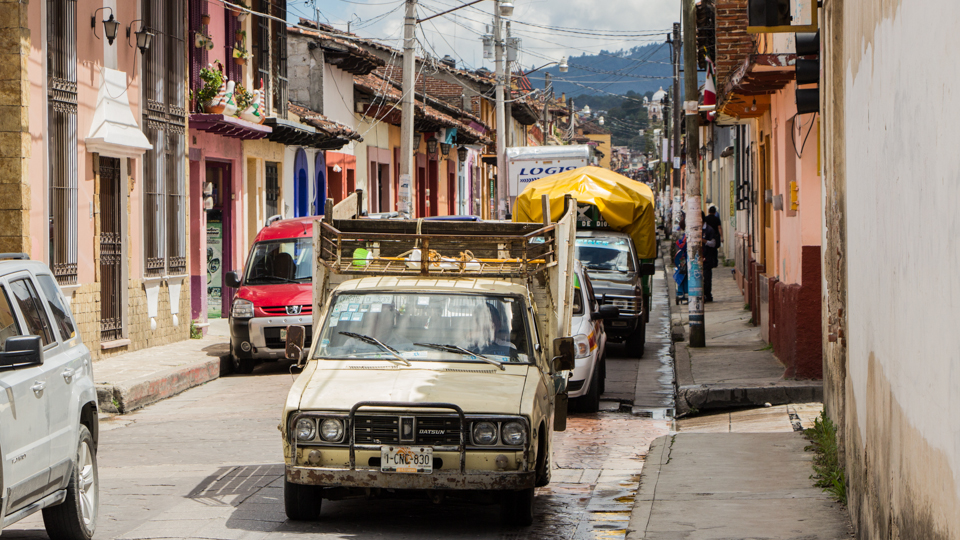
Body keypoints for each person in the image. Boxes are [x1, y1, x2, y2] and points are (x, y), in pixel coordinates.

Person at [702, 212, 719, 302]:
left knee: (707, 277)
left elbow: (713, 243)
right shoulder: (695, 229)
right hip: (698, 259)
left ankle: (708, 294)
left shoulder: (709, 230)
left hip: (707, 257)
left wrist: (703, 241)